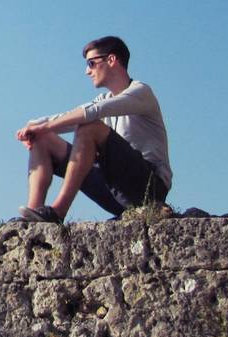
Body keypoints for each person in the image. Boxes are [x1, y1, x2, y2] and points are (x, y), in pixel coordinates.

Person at [15, 36, 171, 223]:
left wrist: (44, 126)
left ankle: (58, 211)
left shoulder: (141, 92)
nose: (87, 71)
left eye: (91, 63)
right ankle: (32, 216)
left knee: (89, 127)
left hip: (148, 189)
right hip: (114, 190)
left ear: (111, 60)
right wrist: (35, 126)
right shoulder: (103, 99)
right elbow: (71, 116)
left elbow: (94, 112)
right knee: (44, 138)